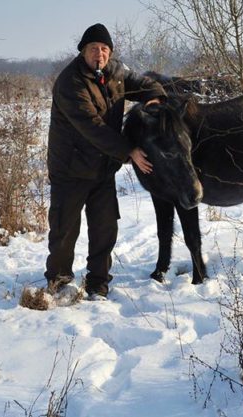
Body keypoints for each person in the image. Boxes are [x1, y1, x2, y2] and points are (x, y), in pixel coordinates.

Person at [44, 23, 166, 300]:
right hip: (71, 169)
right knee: (64, 230)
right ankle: (59, 281)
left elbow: (147, 83)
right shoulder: (70, 82)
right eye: (93, 49)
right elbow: (93, 126)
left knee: (105, 228)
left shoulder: (115, 73)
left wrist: (155, 99)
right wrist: (129, 151)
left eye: (104, 49)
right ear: (83, 52)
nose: (99, 54)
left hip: (101, 168)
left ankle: (98, 282)